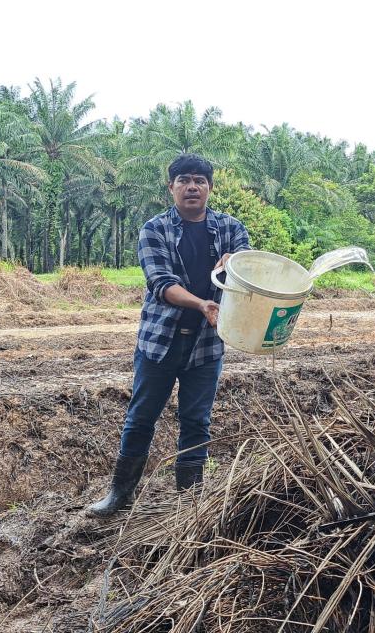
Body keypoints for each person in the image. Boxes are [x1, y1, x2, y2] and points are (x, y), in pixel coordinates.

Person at [86, 154, 250, 518]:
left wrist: (235, 265)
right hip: (160, 341)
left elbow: (249, 269)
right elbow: (162, 285)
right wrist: (203, 304)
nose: (192, 186)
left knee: (196, 421)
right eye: (184, 179)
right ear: (171, 186)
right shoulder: (154, 229)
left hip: (206, 345)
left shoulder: (231, 228)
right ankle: (119, 495)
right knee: (141, 417)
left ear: (209, 187)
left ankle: (189, 503)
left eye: (200, 180)